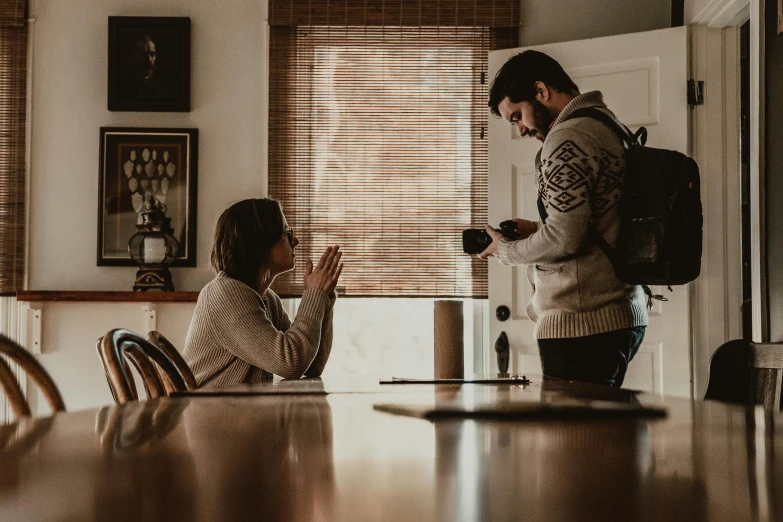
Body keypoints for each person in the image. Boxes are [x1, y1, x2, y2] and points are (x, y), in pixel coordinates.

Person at [480, 50, 647, 387]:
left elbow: (563, 238)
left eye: (517, 116)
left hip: (583, 324)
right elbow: (599, 220)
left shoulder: (568, 138)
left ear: (541, 91)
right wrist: (538, 230)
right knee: (601, 436)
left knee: (572, 439)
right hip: (619, 312)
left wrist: (506, 251)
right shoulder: (607, 124)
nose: (521, 129)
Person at [183, 198, 343, 387]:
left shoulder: (267, 299)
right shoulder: (224, 294)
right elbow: (291, 362)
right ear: (259, 241)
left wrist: (323, 298)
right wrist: (315, 294)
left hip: (235, 410)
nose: (296, 241)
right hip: (209, 412)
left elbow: (311, 366)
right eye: (287, 233)